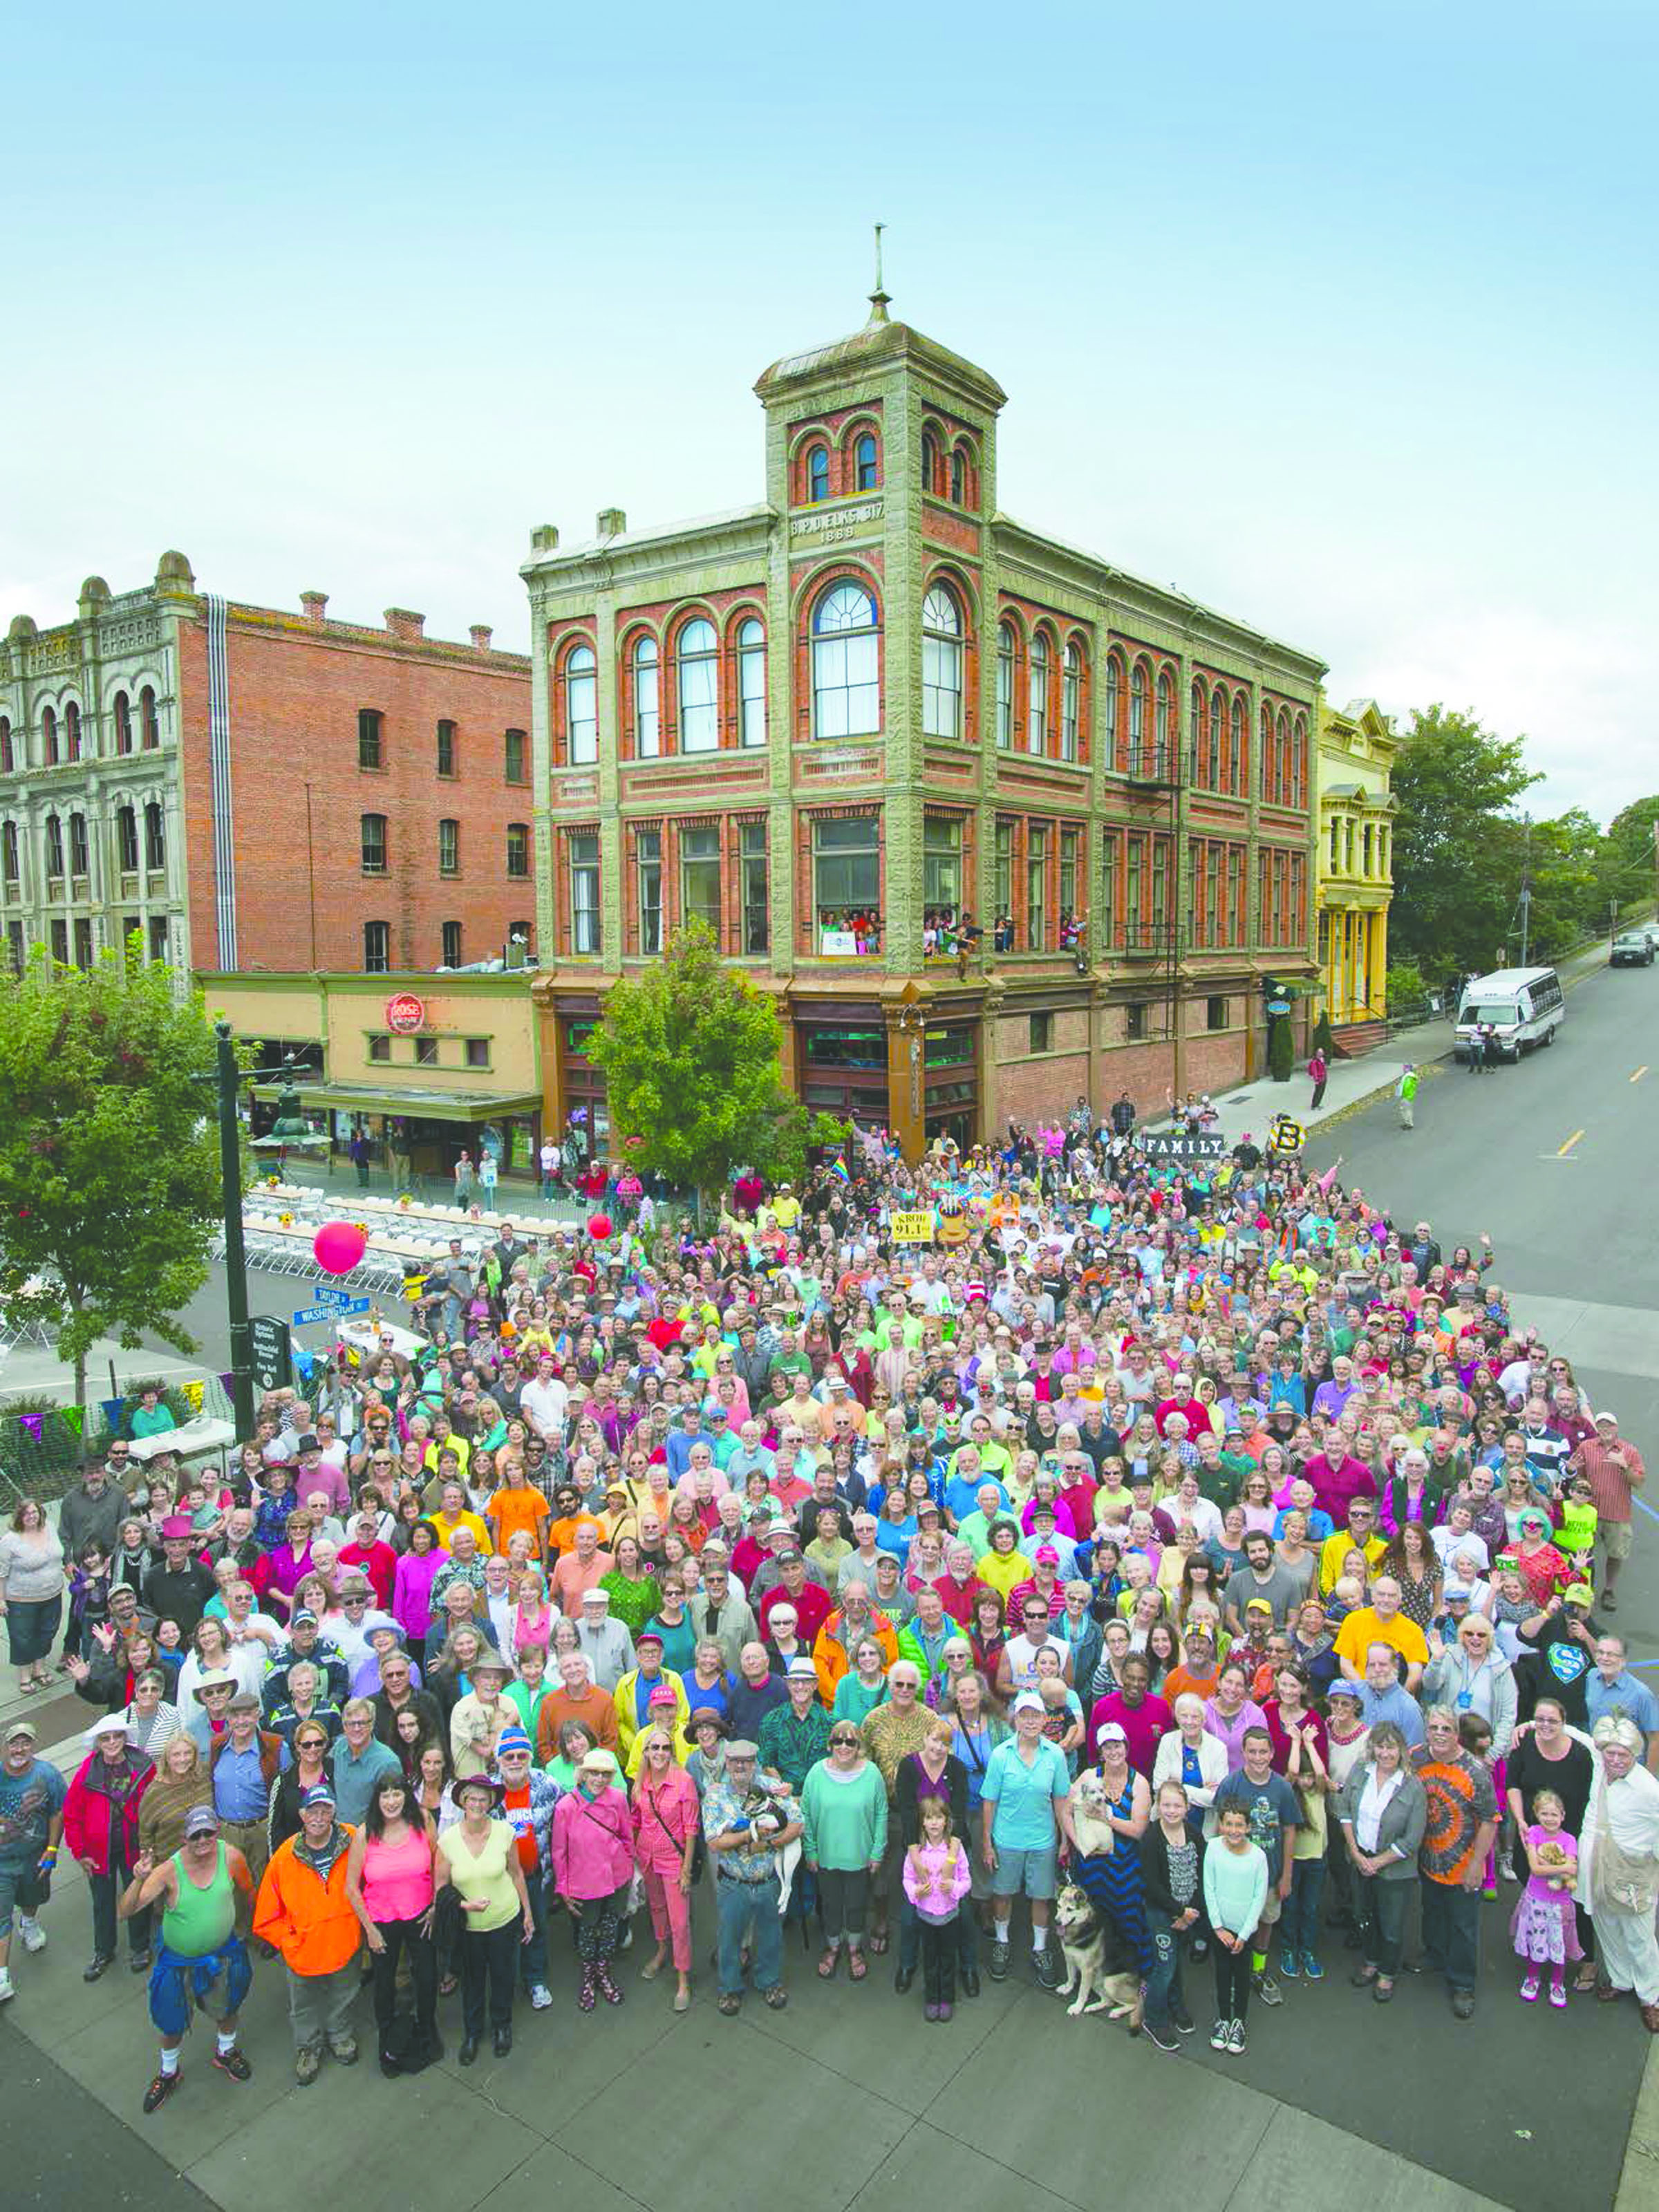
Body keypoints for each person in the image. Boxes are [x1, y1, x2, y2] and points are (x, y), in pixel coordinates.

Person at [118, 1806, 256, 2113]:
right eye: (196, 1835)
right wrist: (138, 1879)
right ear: (185, 1838)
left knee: (228, 2006)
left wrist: (244, 1928)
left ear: (217, 1832)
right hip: (179, 1963)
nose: (203, 1840)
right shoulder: (169, 1870)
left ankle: (226, 2050)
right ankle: (168, 2072)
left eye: (208, 1833)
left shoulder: (231, 1856)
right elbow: (125, 1911)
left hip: (223, 1955)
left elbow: (248, 1890)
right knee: (171, 2022)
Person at [252, 1779, 364, 2083]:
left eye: (325, 1810)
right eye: (312, 1811)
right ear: (301, 1815)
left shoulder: (354, 1839)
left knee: (345, 1993)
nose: (318, 1817)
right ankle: (308, 2048)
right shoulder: (284, 1858)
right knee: (303, 2005)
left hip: (345, 1944)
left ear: (334, 1813)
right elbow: (264, 1917)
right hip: (303, 1952)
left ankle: (340, 2036)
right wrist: (290, 1941)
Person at [344, 1772, 442, 2074]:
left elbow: (440, 1863)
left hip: (421, 1916)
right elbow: (351, 1886)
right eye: (385, 1795)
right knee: (384, 1985)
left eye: (397, 1793)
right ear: (377, 1800)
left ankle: (427, 2028)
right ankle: (387, 2039)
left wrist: (437, 1904)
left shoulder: (423, 1820)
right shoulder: (365, 1833)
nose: (391, 1801)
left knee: (426, 1977)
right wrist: (370, 1930)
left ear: (406, 1796)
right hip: (382, 1920)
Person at [435, 1772, 534, 2061]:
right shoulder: (448, 1840)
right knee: (473, 1981)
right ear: (463, 1802)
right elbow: (441, 1887)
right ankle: (473, 2032)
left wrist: (527, 1912)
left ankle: (502, 2026)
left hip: (505, 1919)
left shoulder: (505, 1832)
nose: (477, 1804)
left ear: (491, 1803)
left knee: (504, 1977)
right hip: (468, 1927)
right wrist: (464, 1907)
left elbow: (516, 1873)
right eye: (472, 1799)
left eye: (483, 1799)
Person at [702, 1737, 802, 2016]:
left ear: (755, 1763)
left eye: (746, 1761)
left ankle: (769, 1981)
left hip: (769, 1880)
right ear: (727, 1763)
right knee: (729, 1938)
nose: (740, 1766)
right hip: (733, 1882)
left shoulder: (773, 1789)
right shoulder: (715, 1795)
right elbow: (713, 1842)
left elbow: (797, 1823)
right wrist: (749, 1836)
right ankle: (730, 1988)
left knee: (771, 1936)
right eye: (735, 1761)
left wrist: (768, 1844)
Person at [980, 1689, 1071, 1987]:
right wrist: (987, 1842)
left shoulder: (1055, 1755)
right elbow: (989, 1801)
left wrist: (1064, 1840)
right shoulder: (1000, 1755)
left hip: (1042, 1840)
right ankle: (1003, 1942)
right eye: (1024, 1715)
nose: (1030, 1721)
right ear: (1015, 1719)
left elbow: (1060, 1800)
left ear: (1045, 1719)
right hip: (1007, 1840)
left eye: (1036, 1715)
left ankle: (1039, 1948)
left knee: (1041, 1896)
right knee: (1003, 1894)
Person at [1412, 1705, 1498, 2020]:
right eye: (1434, 1728)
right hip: (1428, 1859)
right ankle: (1434, 1954)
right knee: (1431, 1912)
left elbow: (1490, 1821)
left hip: (1463, 1865)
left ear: (1457, 1733)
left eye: (1446, 1729)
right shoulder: (1418, 1758)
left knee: (1463, 1926)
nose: (1439, 1734)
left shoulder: (1475, 1771)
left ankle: (1463, 1984)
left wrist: (1478, 1864)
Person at [1335, 1721, 1426, 2003]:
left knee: (1391, 1924)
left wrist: (1377, 1863)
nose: (1386, 1753)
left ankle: (1388, 1972)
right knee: (1364, 1914)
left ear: (1401, 1750)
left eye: (1392, 1747)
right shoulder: (1360, 1772)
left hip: (1394, 1870)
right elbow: (1345, 1810)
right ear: (1373, 1748)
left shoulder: (1412, 1787)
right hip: (1360, 1858)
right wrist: (1356, 1853)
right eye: (1381, 1746)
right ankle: (1371, 1960)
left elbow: (1412, 1840)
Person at [1579, 1714, 1659, 2029]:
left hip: (1632, 1873)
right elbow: (1581, 1738)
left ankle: (1651, 1997)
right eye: (1609, 1752)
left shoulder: (1648, 1789)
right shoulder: (1600, 1767)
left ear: (1635, 1755)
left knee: (1640, 1937)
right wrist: (1529, 1726)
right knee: (1607, 1927)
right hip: (1597, 1868)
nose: (1614, 1760)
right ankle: (1622, 1980)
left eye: (1622, 1754)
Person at [64, 1714, 153, 1980]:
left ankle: (140, 1947)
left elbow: (153, 1805)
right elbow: (72, 1815)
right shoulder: (86, 1773)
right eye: (106, 1738)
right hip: (99, 1852)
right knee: (102, 1902)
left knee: (137, 1895)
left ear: (125, 1738)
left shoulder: (144, 1766)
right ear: (98, 1743)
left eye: (117, 1736)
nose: (112, 1742)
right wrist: (80, 1853)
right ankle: (104, 1951)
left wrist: (151, 1846)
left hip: (134, 1847)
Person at [800, 1721, 888, 1983]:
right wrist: (811, 1851)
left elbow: (882, 1813)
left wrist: (877, 1851)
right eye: (838, 1741)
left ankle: (854, 1948)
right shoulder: (816, 1773)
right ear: (830, 1745)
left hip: (860, 1857)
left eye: (850, 1741)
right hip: (826, 1857)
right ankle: (833, 1946)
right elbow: (804, 1813)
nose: (844, 1746)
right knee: (830, 1904)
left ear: (858, 1745)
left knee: (857, 1905)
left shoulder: (872, 1774)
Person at [550, 1747, 635, 2010]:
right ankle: (588, 1979)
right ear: (582, 1775)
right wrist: (563, 1888)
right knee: (587, 1932)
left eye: (605, 1774)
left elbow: (627, 1835)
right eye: (593, 1774)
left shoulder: (618, 1798)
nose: (599, 1779)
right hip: (583, 1883)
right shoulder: (565, 1806)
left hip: (616, 1877)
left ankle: (604, 1974)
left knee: (610, 1929)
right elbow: (559, 1851)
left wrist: (628, 1866)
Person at [630, 1723, 700, 2012]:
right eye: (654, 1747)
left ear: (672, 1751)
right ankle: (661, 1950)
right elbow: (636, 1820)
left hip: (674, 1860)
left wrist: (686, 1870)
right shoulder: (640, 1782)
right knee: (657, 1909)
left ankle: (683, 1976)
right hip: (647, 1858)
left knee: (680, 1922)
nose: (660, 1752)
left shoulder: (684, 1781)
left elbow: (691, 1829)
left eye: (665, 1747)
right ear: (645, 1752)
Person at [0, 1718, 66, 2004]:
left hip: (34, 1856)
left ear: (33, 1745)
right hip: (2, 1862)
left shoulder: (48, 1774)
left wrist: (52, 1850)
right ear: (6, 1746)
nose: (19, 1748)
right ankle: (2, 1976)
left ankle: (29, 1922)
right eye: (14, 1743)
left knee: (32, 1896)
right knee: (1, 1917)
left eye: (25, 1742)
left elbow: (57, 1812)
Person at [1139, 1778, 1203, 2051]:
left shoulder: (1193, 1833)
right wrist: (1178, 1912)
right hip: (1161, 1913)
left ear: (1187, 1807)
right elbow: (1151, 1885)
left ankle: (1176, 2005)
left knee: (1176, 1962)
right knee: (1164, 1966)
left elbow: (1203, 1872)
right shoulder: (1152, 1838)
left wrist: (1192, 1912)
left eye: (1177, 1805)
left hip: (1187, 1913)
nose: (1171, 1810)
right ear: (1158, 1806)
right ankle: (1154, 2018)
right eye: (1166, 1805)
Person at [1203, 1801, 1267, 2056]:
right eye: (1228, 1824)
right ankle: (1223, 2019)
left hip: (1244, 1932)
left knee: (1241, 1976)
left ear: (1249, 1827)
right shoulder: (1212, 1849)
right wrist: (1218, 1928)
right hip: (1221, 1930)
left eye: (1239, 1825)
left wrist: (1244, 1934)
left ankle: (1239, 2021)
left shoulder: (1258, 1857)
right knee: (1222, 1974)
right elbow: (1209, 1888)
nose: (1233, 1830)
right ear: (1221, 1825)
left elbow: (1258, 1898)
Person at [903, 1794, 971, 2023]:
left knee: (947, 1958)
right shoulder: (917, 1852)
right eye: (929, 1818)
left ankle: (947, 1999)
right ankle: (932, 1998)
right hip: (926, 1916)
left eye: (938, 1818)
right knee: (930, 1958)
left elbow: (966, 1879)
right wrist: (914, 1893)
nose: (934, 1823)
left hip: (950, 1915)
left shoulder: (954, 1849)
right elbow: (907, 1878)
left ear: (946, 1821)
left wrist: (955, 1887)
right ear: (922, 1822)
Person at [1511, 1787, 1582, 2007]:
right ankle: (1532, 1978)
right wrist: (1561, 1866)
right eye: (1544, 1814)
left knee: (1557, 1941)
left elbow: (1572, 1870)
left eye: (1554, 1814)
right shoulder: (1534, 1833)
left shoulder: (1569, 1839)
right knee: (1536, 1937)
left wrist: (1546, 1864)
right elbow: (1534, 1869)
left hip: (1560, 1903)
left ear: (1563, 1816)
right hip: (1536, 1899)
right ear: (1537, 1815)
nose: (1549, 1819)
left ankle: (1557, 1982)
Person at [0, 1498, 67, 1695]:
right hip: (21, 1600)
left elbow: (59, 1555)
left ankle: (39, 1669)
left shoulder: (51, 1528)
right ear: (19, 1517)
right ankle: (25, 1676)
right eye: (26, 1513)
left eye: (35, 1512)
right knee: (23, 1637)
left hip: (53, 1594)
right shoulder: (9, 1541)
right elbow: (1, 1573)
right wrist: (1, 1600)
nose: (31, 1516)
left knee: (47, 1632)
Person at [1396, 1063, 1418, 1130]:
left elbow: (1406, 1087)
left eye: (1405, 1068)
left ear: (1408, 1069)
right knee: (1408, 1110)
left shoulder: (1408, 1077)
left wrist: (1402, 1093)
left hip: (1406, 1096)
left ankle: (1408, 1124)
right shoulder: (1411, 1076)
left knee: (1405, 1110)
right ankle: (1408, 1123)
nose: (1403, 1069)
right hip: (1409, 1096)